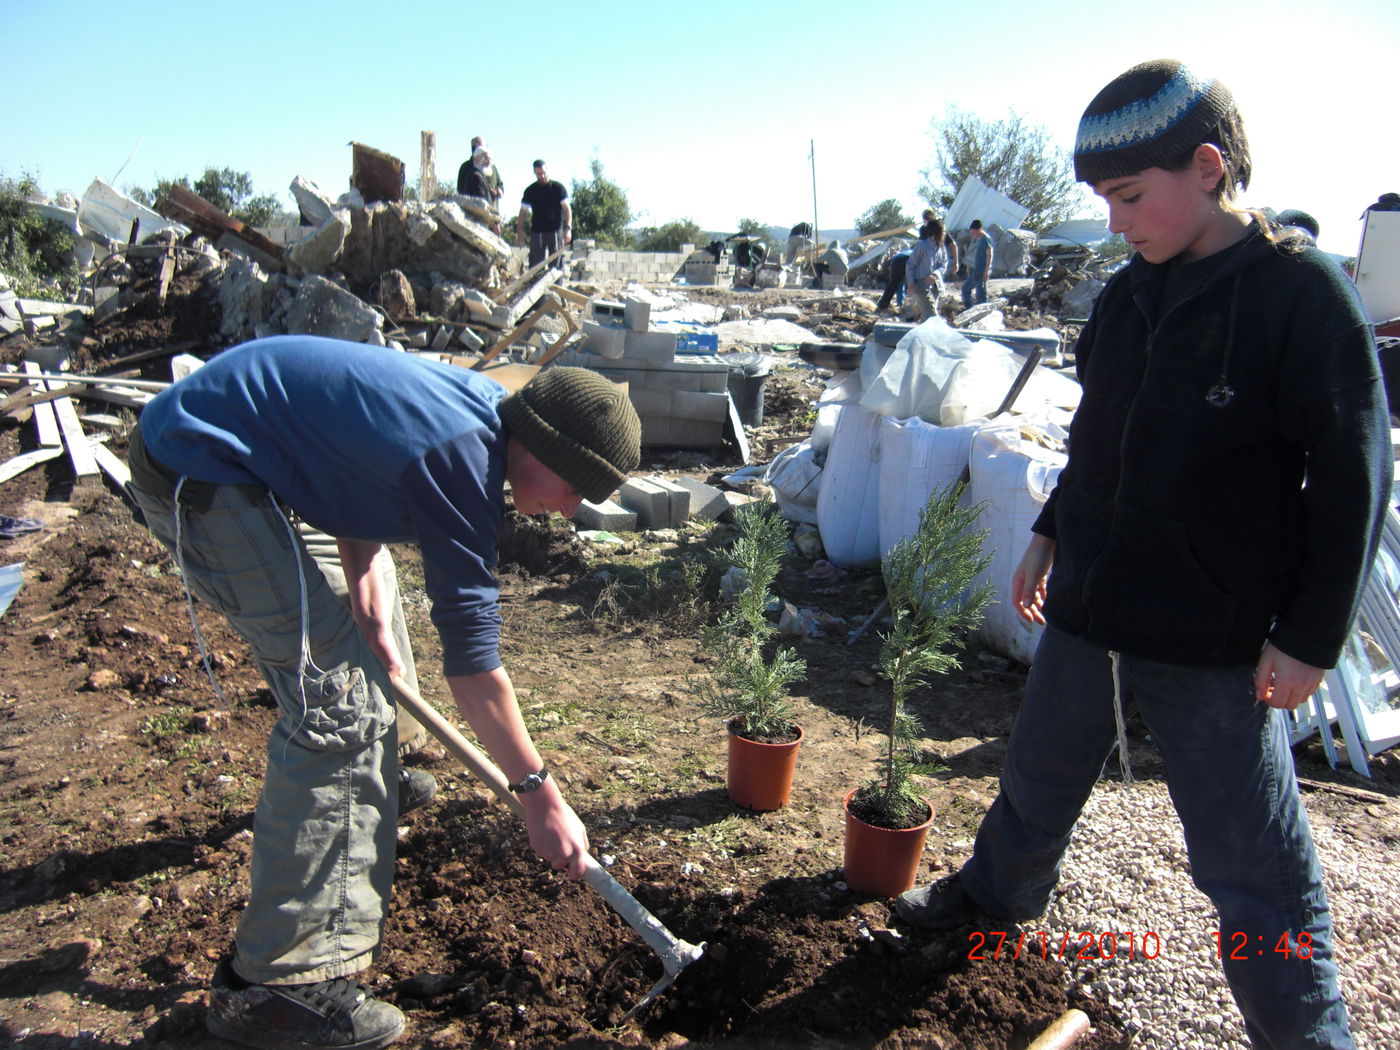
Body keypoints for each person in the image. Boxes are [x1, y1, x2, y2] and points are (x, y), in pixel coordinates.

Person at [894, 59, 1388, 1050]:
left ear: (1205, 166)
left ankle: (1304, 1033)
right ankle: (989, 910)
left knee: (1249, 867)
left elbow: (1351, 475)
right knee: (1033, 783)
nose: (1115, 224)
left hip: (1212, 642)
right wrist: (1047, 531)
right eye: (1103, 204)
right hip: (1092, 611)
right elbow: (1097, 439)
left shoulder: (1296, 296)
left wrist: (1308, 637)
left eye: (1127, 198)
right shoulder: (1125, 299)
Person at [125, 339, 641, 1050]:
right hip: (202, 465)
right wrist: (539, 796)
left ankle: (368, 780)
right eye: (576, 488)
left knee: (378, 614)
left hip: (251, 453)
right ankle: (280, 987)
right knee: (341, 707)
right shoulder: (462, 461)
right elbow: (474, 662)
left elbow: (351, 468)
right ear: (544, 450)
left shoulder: (483, 420)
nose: (570, 509)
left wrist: (366, 602)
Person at [517, 159, 571, 268]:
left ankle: (556, 285)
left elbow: (567, 209)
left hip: (555, 231)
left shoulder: (558, 188)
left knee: (556, 266)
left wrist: (568, 228)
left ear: (547, 171)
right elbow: (523, 213)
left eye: (543, 173)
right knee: (536, 266)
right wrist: (519, 232)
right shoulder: (530, 191)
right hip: (537, 232)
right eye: (538, 174)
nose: (541, 176)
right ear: (535, 173)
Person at [905, 219, 947, 321]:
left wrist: (935, 275)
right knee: (931, 314)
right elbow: (910, 265)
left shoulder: (941, 248)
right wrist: (911, 284)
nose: (944, 234)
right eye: (943, 232)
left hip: (935, 286)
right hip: (920, 285)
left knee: (927, 315)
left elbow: (944, 264)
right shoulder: (922, 246)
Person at [961, 218, 992, 308]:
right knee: (979, 292)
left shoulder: (986, 239)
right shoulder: (981, 239)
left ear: (979, 230)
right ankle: (977, 310)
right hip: (978, 269)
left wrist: (986, 271)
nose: (973, 235)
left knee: (969, 290)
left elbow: (989, 255)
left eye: (974, 232)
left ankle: (972, 310)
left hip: (981, 270)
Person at [875, 246, 912, 313]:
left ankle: (881, 307)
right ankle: (898, 306)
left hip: (896, 260)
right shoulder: (923, 251)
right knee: (896, 284)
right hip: (904, 260)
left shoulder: (914, 250)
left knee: (894, 284)